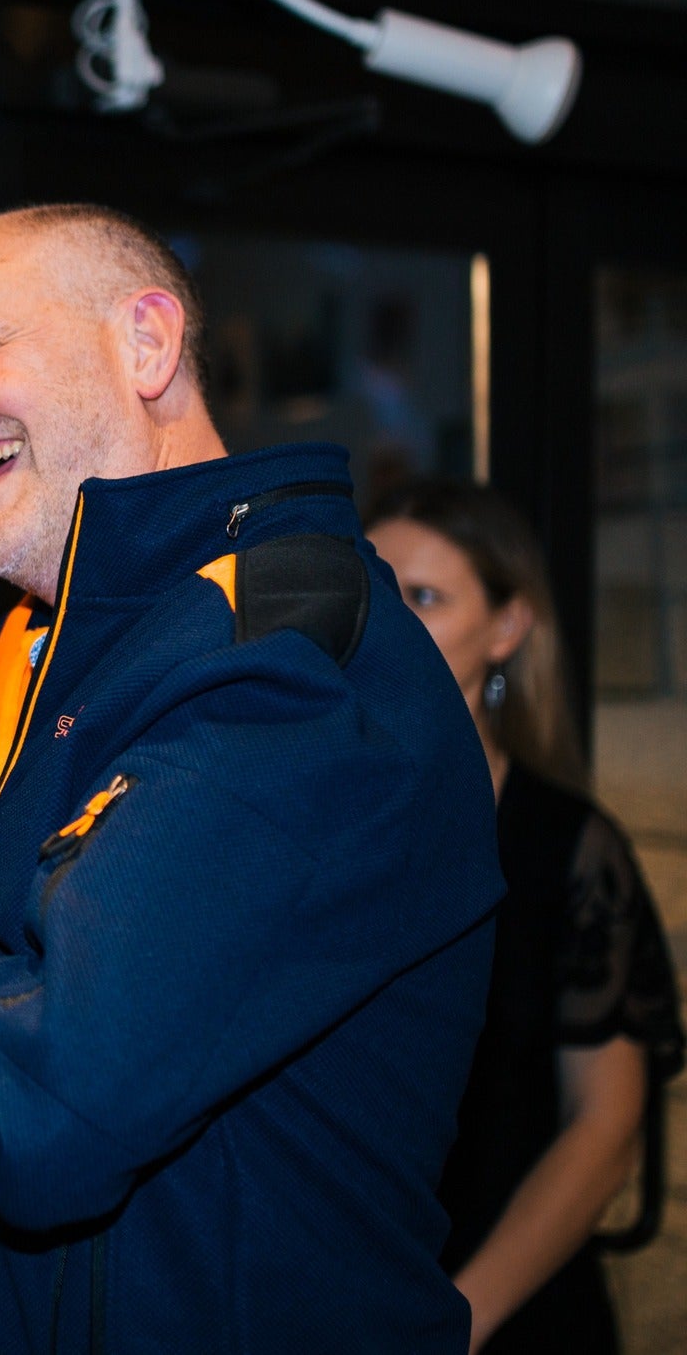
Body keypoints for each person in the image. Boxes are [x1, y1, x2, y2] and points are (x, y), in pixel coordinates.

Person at [0, 203, 505, 1352]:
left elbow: (33, 1109)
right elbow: (31, 933)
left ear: (145, 343)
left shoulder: (287, 659)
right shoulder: (81, 646)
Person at [368, 478, 684, 1354]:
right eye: (377, 588)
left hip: (505, 1309)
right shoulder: (311, 820)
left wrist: (459, 1319)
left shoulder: (566, 846)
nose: (392, 619)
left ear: (507, 627)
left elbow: (603, 1132)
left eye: (425, 596)